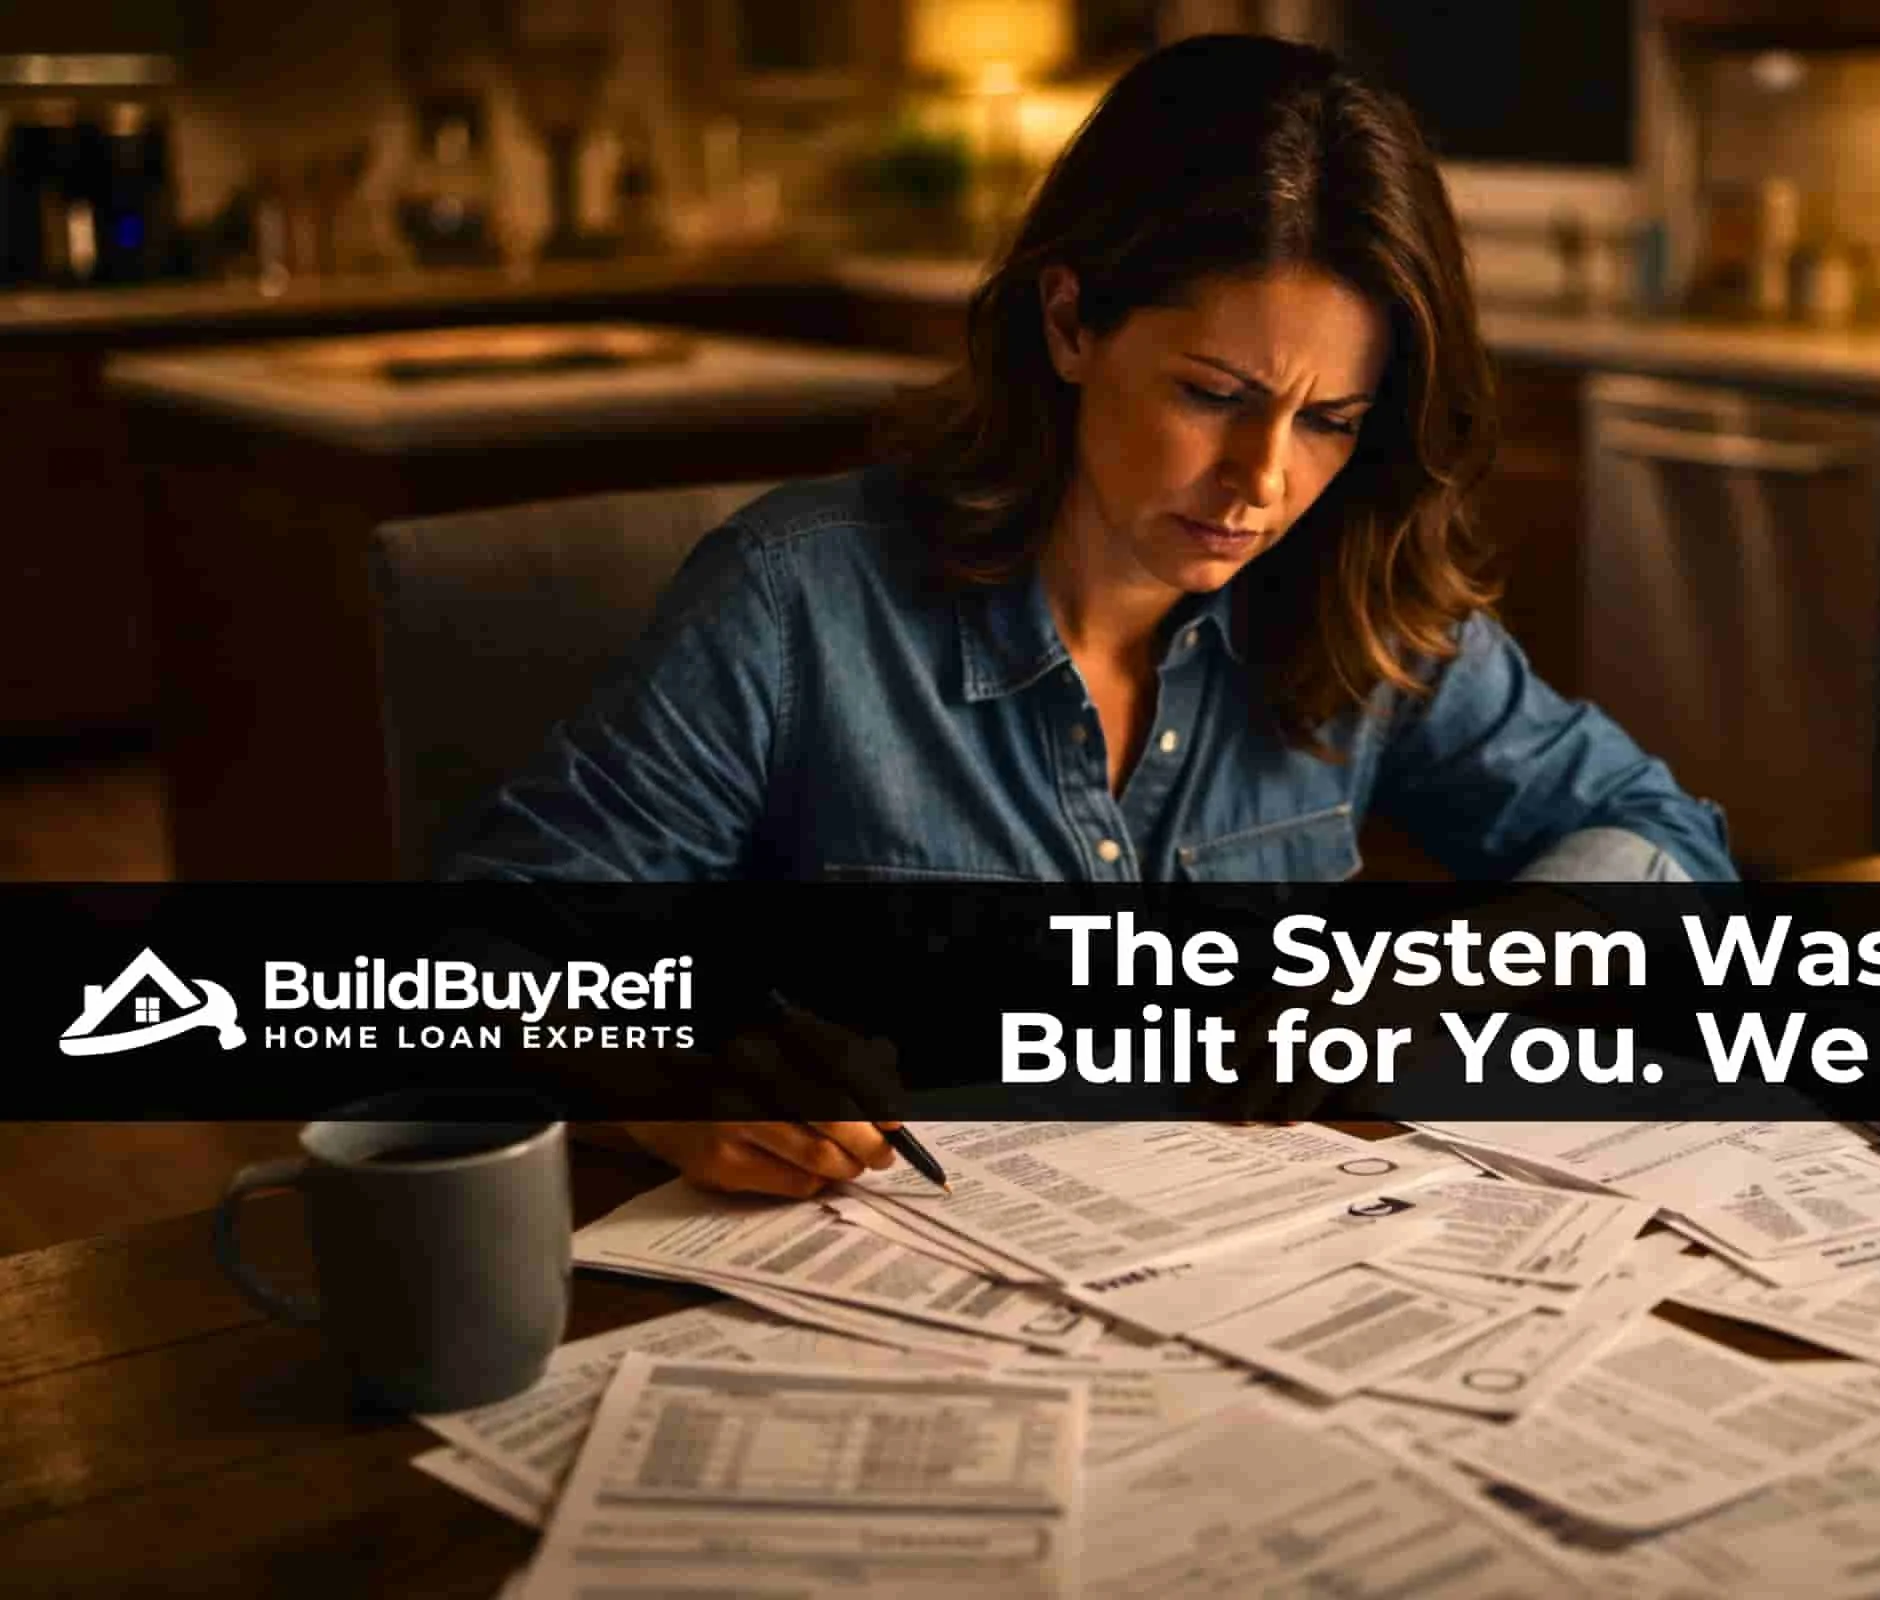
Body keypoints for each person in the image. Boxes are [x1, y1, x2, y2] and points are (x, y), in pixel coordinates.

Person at [446, 34, 1735, 1196]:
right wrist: (662, 1077)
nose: (1265, 484)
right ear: (1070, 323)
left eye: (1331, 422)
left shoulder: (1351, 594)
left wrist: (1445, 982)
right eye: (1215, 393)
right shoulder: (799, 599)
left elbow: (1657, 832)